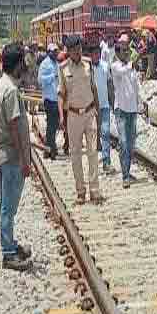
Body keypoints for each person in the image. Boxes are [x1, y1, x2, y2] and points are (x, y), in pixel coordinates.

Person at [0, 44, 33, 272]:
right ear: (16, 65)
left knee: (3, 204)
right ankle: (8, 253)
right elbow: (15, 126)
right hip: (11, 156)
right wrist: (25, 160)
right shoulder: (12, 91)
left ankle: (9, 244)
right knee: (8, 206)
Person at [60, 38, 103, 205]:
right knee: (75, 154)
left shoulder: (88, 64)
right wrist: (62, 116)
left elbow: (94, 88)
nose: (77, 52)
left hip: (90, 112)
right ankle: (80, 191)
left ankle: (94, 190)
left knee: (92, 152)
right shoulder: (63, 69)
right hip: (73, 115)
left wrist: (97, 110)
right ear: (69, 51)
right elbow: (61, 94)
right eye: (74, 50)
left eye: (79, 48)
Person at [109, 36, 141, 188]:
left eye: (127, 50)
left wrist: (140, 104)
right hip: (121, 109)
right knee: (123, 142)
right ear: (117, 52)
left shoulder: (130, 68)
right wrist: (132, 63)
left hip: (132, 109)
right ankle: (125, 175)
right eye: (123, 50)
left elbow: (135, 88)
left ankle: (127, 171)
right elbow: (123, 71)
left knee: (130, 143)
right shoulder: (116, 66)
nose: (126, 52)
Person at [92, 43, 114, 176]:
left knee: (105, 132)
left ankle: (106, 161)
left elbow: (109, 85)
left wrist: (113, 101)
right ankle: (94, 162)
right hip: (92, 107)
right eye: (93, 53)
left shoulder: (105, 66)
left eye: (97, 53)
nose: (96, 55)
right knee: (94, 134)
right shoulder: (88, 68)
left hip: (104, 105)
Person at [38, 43, 61, 160]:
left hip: (56, 99)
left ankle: (50, 147)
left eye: (56, 51)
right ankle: (50, 149)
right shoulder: (44, 64)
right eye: (53, 51)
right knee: (51, 125)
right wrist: (52, 76)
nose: (55, 53)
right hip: (49, 99)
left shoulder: (56, 63)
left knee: (54, 125)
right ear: (48, 52)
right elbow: (40, 81)